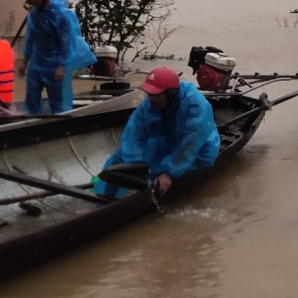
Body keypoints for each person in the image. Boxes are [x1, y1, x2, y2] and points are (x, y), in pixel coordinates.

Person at [93, 66, 221, 199]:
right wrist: (134, 165)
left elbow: (189, 146)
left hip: (200, 148)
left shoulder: (196, 107)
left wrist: (169, 172)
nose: (151, 98)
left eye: (156, 94)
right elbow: (133, 134)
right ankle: (100, 198)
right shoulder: (151, 103)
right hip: (167, 139)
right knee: (119, 158)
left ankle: (144, 193)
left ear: (171, 93)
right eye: (149, 94)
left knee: (159, 174)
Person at [20, 0, 72, 115]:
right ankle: (32, 123)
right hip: (36, 63)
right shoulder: (33, 14)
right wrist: (24, 62)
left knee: (56, 99)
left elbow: (65, 42)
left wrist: (61, 66)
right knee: (31, 97)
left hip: (54, 63)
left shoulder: (59, 15)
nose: (32, 0)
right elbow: (30, 39)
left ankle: (58, 123)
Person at [50, 0, 97, 108]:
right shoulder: (66, 14)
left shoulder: (62, 16)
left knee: (60, 84)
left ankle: (62, 108)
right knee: (60, 84)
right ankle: (63, 107)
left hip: (60, 57)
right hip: (61, 56)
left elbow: (68, 38)